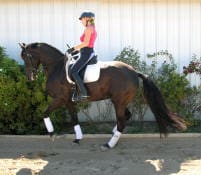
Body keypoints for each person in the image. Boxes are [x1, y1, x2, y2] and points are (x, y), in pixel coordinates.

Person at [67, 12, 97, 102]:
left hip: (86, 53)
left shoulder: (89, 28)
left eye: (82, 19)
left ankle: (84, 93)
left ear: (87, 19)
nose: (81, 22)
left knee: (73, 71)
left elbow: (86, 43)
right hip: (84, 52)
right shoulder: (91, 28)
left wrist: (73, 48)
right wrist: (77, 50)